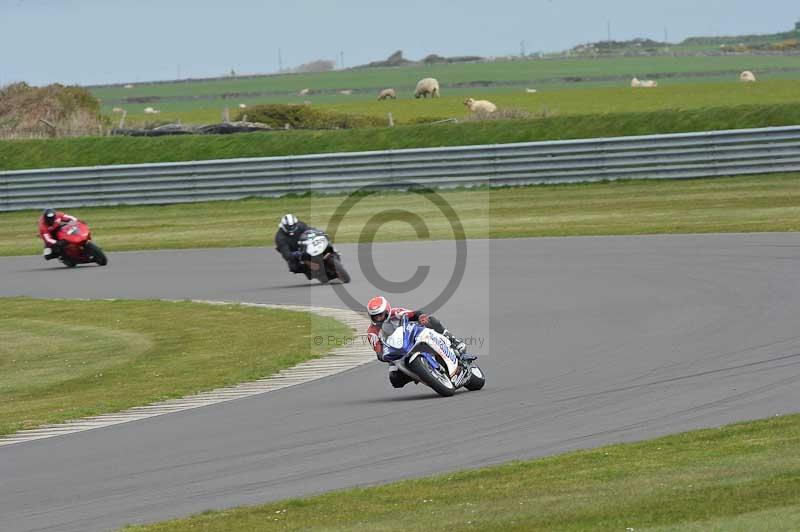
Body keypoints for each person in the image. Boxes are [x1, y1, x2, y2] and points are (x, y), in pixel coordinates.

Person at [366, 295, 467, 388]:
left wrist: (421, 317)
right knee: (395, 380)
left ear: (387, 310)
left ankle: (454, 341)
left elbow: (415, 313)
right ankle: (421, 373)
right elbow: (378, 352)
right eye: (375, 316)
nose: (379, 318)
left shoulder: (396, 312)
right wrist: (382, 356)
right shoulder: (372, 332)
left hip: (412, 336)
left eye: (381, 315)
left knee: (430, 320)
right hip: (395, 352)